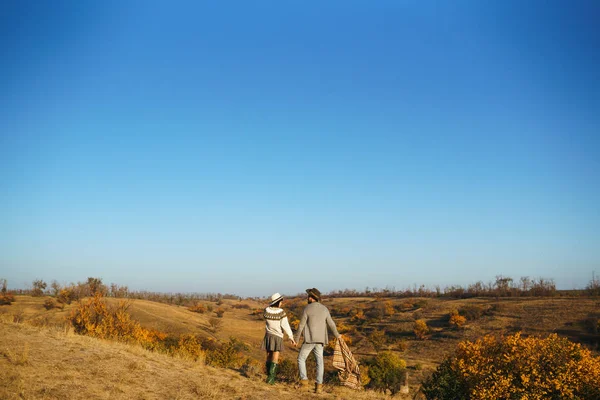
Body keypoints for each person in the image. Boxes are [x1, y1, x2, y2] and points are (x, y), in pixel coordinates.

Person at [294, 288, 341, 394]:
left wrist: (296, 339)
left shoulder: (307, 308)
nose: (307, 298)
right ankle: (319, 386)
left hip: (310, 339)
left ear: (311, 298)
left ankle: (304, 382)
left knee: (301, 359)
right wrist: (337, 335)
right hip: (321, 340)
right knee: (320, 362)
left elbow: (301, 325)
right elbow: (331, 324)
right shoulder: (324, 309)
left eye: (308, 297)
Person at [262, 292, 296, 384]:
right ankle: (271, 378)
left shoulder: (266, 310)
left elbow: (265, 317)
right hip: (277, 336)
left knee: (268, 356)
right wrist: (291, 337)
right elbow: (285, 325)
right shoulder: (281, 312)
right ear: (278, 302)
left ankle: (268, 376)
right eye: (281, 301)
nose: (282, 303)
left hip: (268, 335)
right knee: (275, 357)